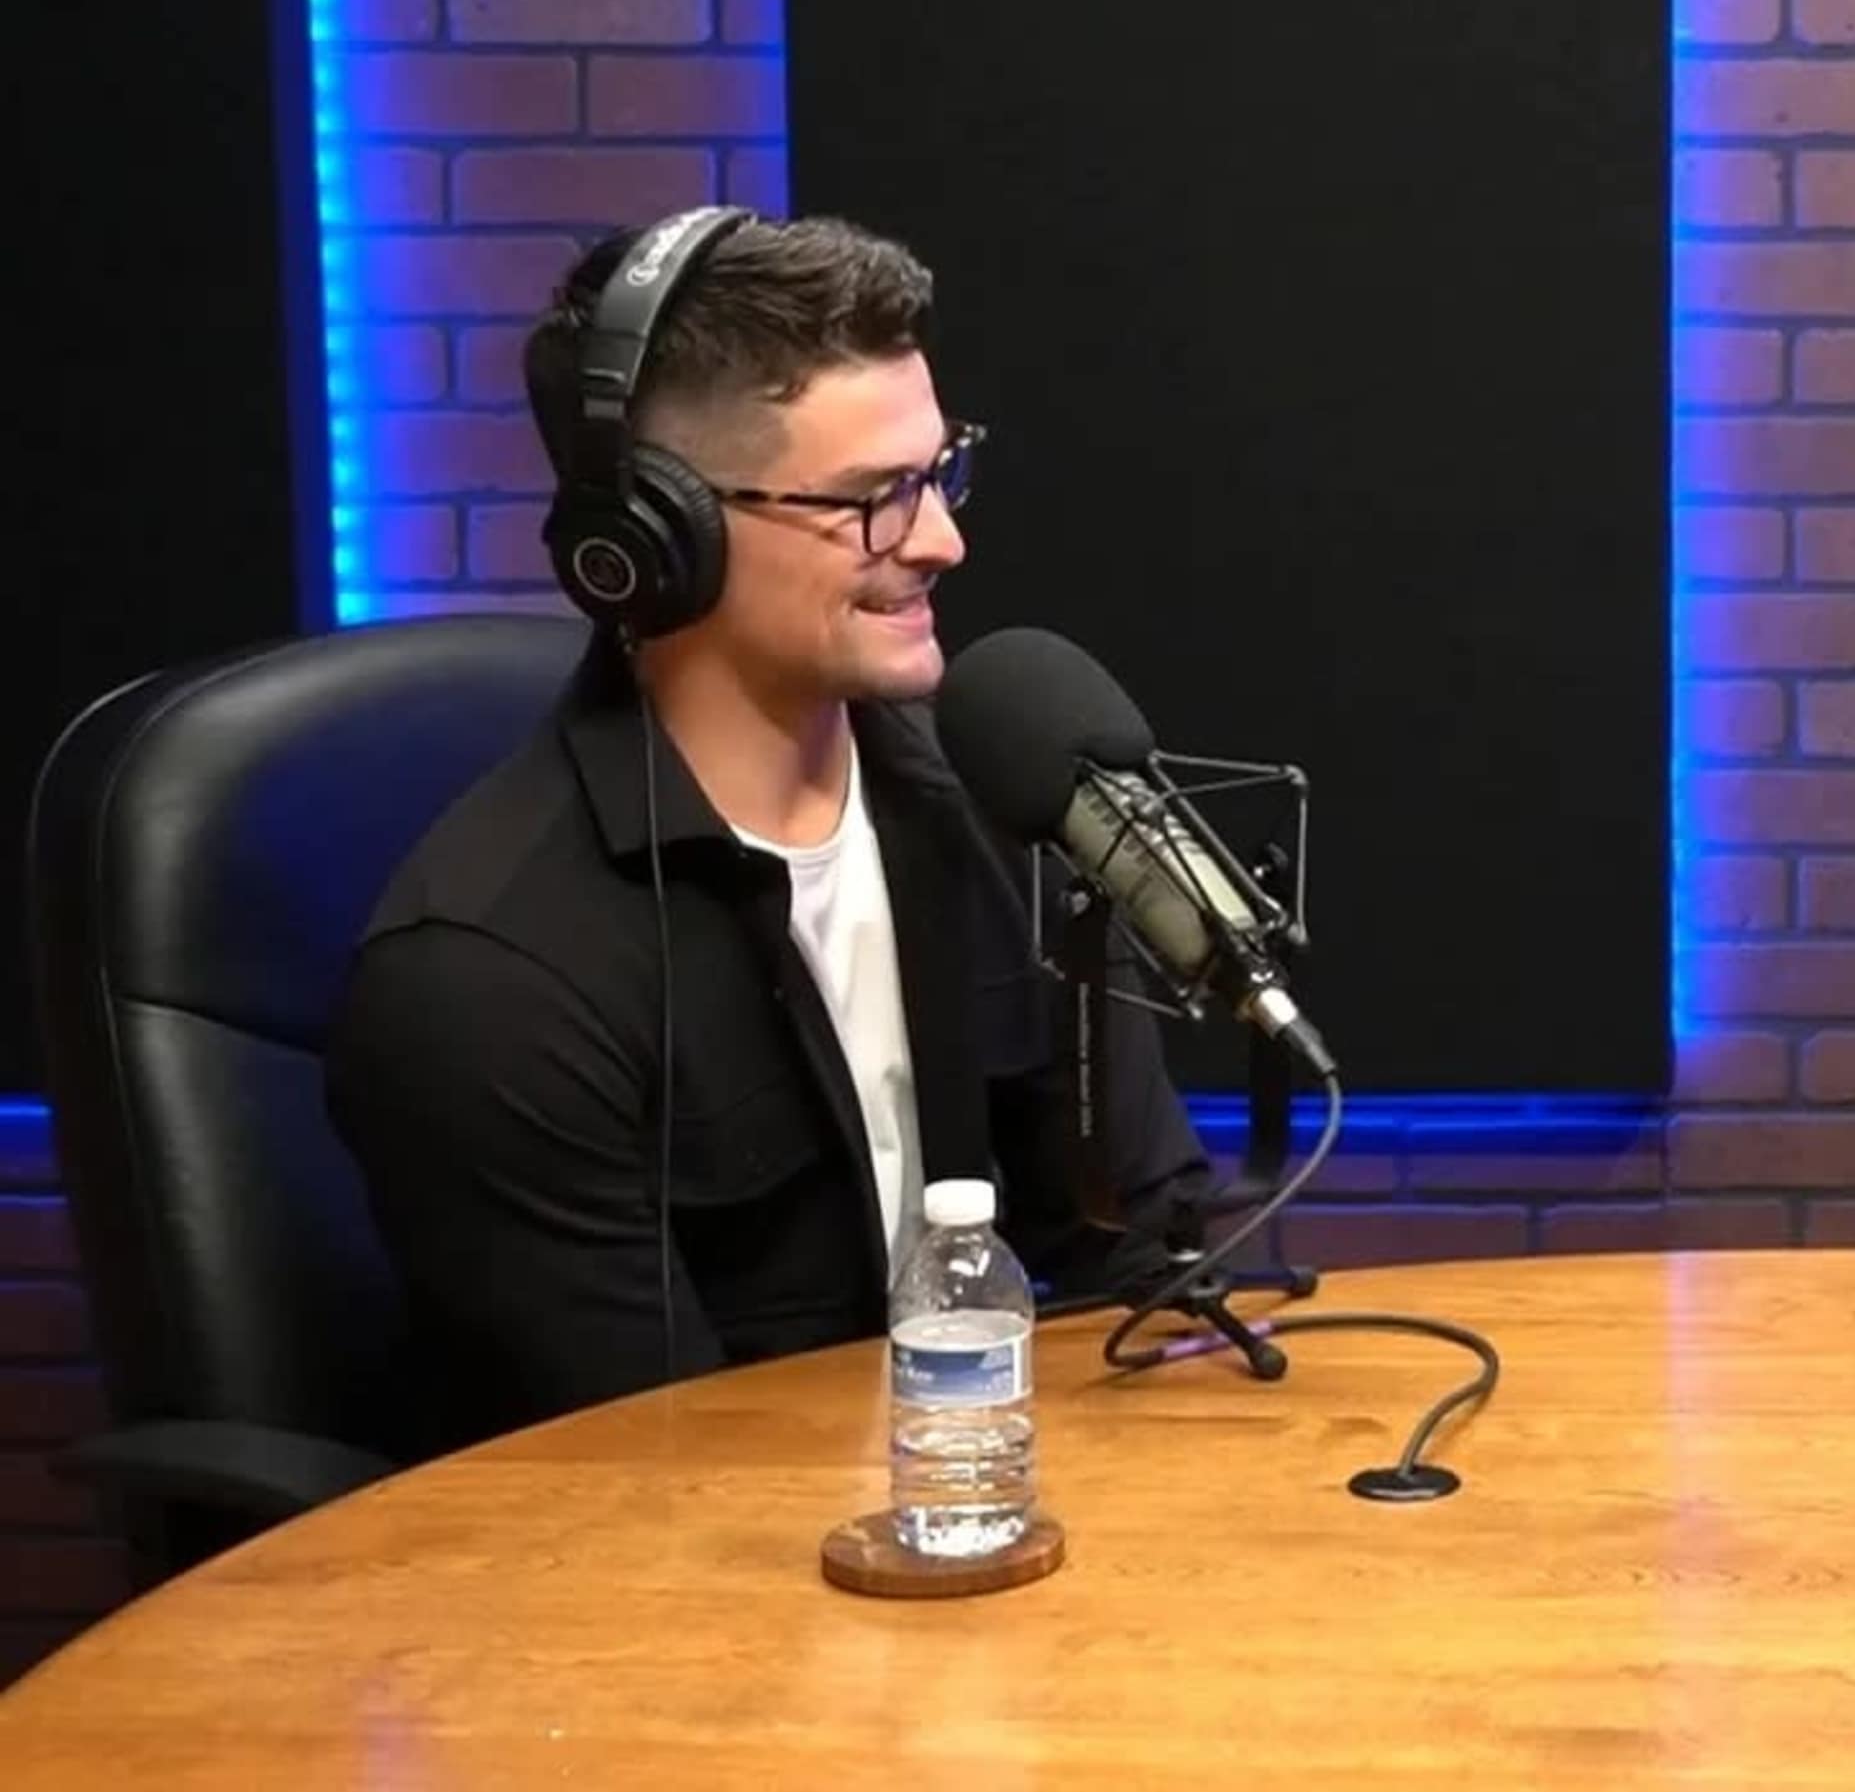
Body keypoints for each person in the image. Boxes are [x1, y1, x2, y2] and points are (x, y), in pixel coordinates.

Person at [325, 206, 1213, 1447]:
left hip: (1008, 1530)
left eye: (939, 471)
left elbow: (1157, 1260)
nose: (944, 540)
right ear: (654, 535)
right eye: (873, 501)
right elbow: (647, 1468)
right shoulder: (488, 980)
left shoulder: (994, 812)